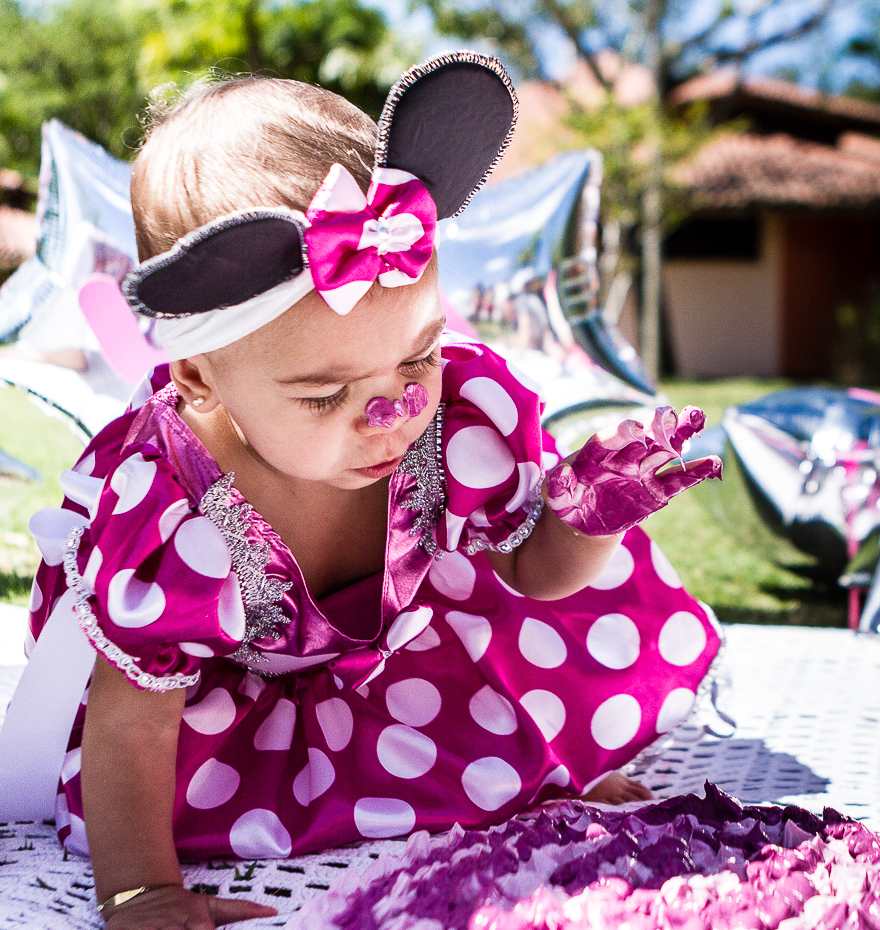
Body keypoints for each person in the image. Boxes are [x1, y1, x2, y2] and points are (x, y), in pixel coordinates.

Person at [22, 55, 723, 929]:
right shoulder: (173, 507)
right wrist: (143, 892)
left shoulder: (450, 420)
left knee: (512, 723)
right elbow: (135, 726)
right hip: (223, 703)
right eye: (324, 394)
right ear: (200, 379)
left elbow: (532, 574)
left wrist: (587, 520)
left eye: (418, 355)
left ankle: (531, 772)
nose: (392, 413)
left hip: (406, 657)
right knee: (160, 801)